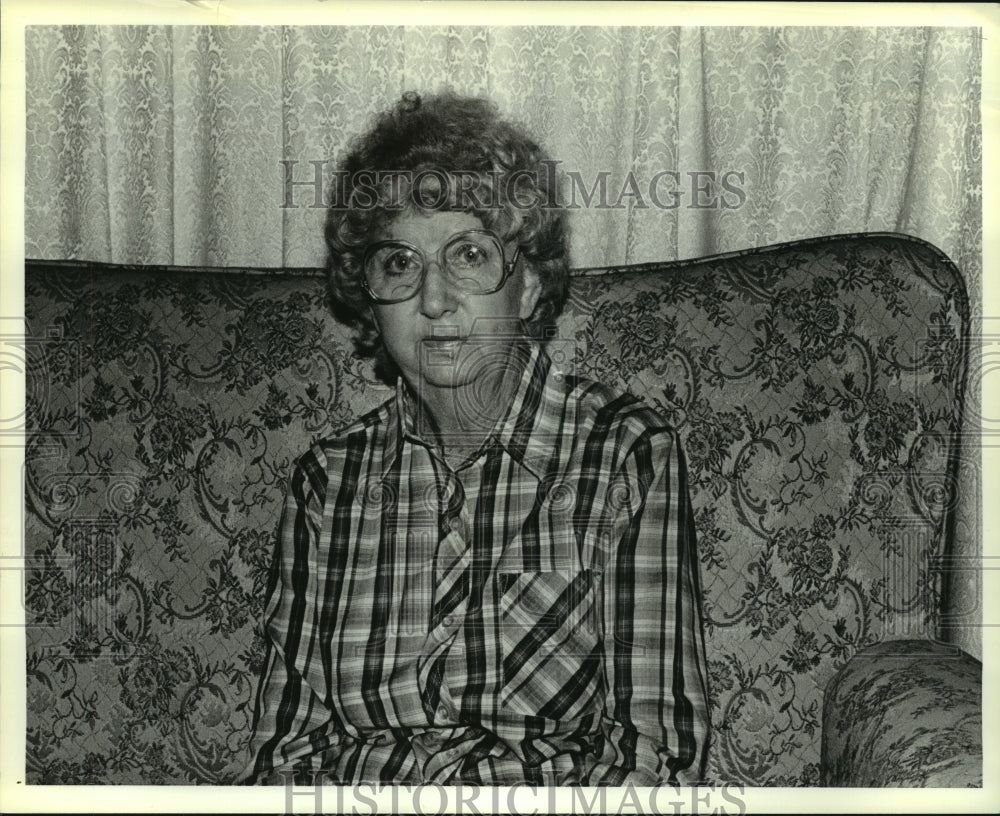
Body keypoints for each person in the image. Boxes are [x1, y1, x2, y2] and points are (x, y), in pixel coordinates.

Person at [245, 91, 709, 786]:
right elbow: (284, 754)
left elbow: (656, 754)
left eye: (467, 254)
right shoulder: (328, 485)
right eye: (400, 262)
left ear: (527, 286)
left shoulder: (622, 455)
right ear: (369, 295)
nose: (433, 299)